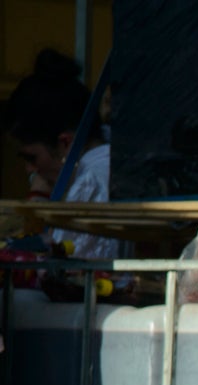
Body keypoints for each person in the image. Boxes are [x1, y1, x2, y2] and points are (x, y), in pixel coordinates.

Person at [8, 48, 119, 263]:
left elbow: (65, 274)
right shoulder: (105, 164)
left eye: (32, 158)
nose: (30, 170)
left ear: (66, 143)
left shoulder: (92, 182)